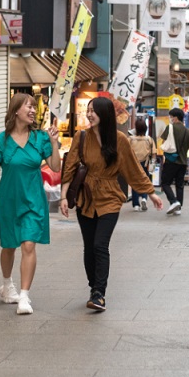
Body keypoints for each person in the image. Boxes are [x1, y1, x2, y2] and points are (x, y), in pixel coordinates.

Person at [60, 97, 163, 311]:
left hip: (110, 197)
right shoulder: (81, 137)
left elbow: (133, 169)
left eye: (93, 111)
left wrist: (151, 193)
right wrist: (63, 197)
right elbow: (70, 167)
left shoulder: (120, 140)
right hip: (86, 197)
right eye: (88, 110)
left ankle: (99, 293)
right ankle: (93, 287)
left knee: (100, 245)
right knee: (89, 247)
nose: (89, 114)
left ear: (105, 114)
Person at [0, 93, 60, 315]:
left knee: (28, 245)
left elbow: (55, 167)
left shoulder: (40, 138)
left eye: (34, 107)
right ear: (16, 110)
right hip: (8, 201)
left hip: (33, 201)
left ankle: (25, 296)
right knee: (9, 245)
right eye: (29, 106)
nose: (33, 111)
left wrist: (54, 143)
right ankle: (7, 285)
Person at [160, 107, 189, 215]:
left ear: (176, 117)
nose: (171, 119)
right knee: (179, 184)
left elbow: (164, 143)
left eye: (171, 117)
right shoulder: (187, 131)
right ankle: (179, 208)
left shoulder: (170, 127)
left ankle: (173, 201)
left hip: (171, 160)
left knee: (165, 183)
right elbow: (188, 147)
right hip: (183, 161)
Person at [128, 118, 154, 211]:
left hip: (133, 164)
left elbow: (125, 151)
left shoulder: (130, 139)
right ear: (145, 128)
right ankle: (144, 198)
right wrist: (153, 164)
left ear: (136, 128)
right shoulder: (149, 139)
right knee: (144, 181)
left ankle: (136, 205)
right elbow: (153, 153)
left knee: (134, 183)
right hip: (145, 164)